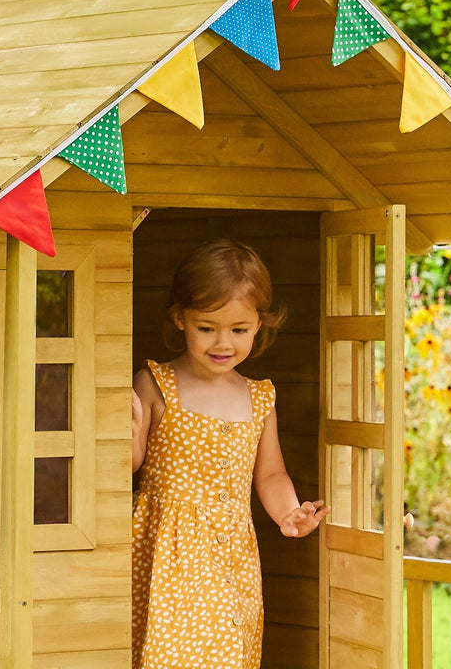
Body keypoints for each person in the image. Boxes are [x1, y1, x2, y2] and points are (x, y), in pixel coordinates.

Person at [131, 239, 329, 669]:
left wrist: (287, 513)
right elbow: (128, 464)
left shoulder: (259, 398)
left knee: (228, 649)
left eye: (239, 330)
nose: (223, 342)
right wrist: (125, 430)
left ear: (260, 324)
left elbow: (271, 475)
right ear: (180, 318)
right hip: (171, 550)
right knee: (171, 653)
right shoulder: (156, 383)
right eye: (207, 327)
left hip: (233, 553)